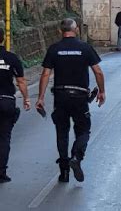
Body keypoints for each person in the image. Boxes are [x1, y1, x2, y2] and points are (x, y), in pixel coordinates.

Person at [35, 19, 106, 183]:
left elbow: (45, 74)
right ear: (76, 30)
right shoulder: (85, 48)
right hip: (80, 97)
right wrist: (101, 91)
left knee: (62, 132)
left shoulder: (54, 49)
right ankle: (76, 156)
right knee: (83, 130)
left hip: (60, 96)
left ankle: (64, 172)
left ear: (61, 31)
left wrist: (40, 97)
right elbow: (98, 72)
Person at [0, 29, 30, 183]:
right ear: (3, 39)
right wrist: (26, 99)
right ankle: (1, 173)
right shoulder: (11, 58)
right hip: (6, 101)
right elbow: (21, 81)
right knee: (4, 138)